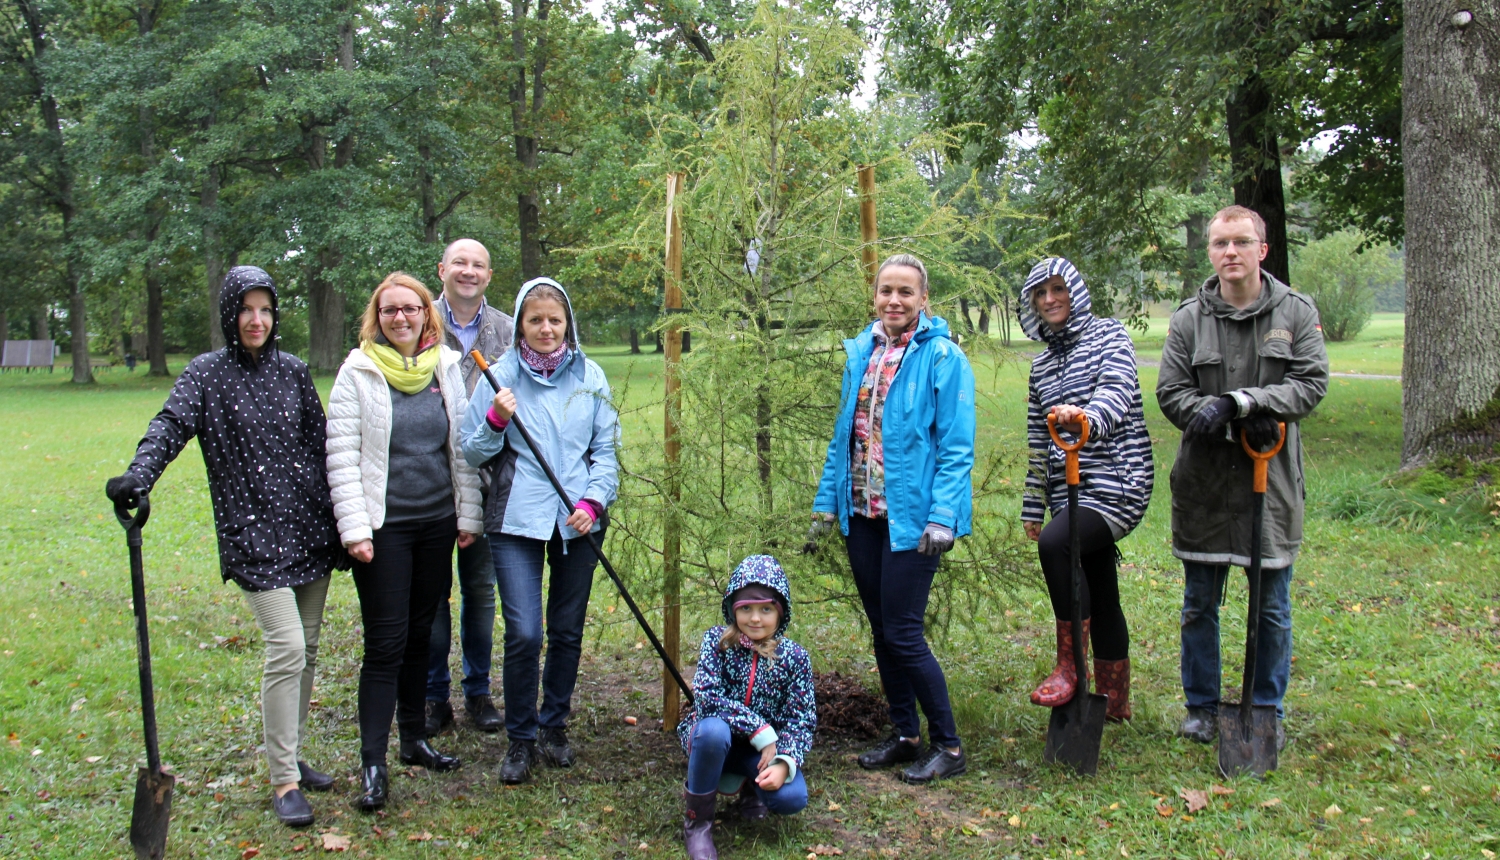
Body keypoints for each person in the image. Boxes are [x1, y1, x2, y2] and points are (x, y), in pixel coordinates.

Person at [104, 266, 343, 828]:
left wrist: (351, 517)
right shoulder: (205, 375)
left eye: (265, 310)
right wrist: (139, 476)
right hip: (252, 531)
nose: (256, 320)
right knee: (284, 645)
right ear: (229, 315)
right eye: (245, 310)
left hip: (309, 526)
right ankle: (283, 780)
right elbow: (169, 425)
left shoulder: (294, 371)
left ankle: (293, 751)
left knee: (305, 647)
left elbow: (324, 442)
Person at [1156, 205, 1329, 746]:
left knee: (1271, 606)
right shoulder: (1189, 319)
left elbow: (1310, 384)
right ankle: (1202, 707)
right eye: (1219, 243)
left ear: (1262, 249)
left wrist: (1242, 403)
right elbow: (1170, 391)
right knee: (1198, 602)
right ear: (1210, 252)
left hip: (1270, 485)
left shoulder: (1295, 313)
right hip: (1205, 483)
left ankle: (1265, 707)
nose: (1229, 252)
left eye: (1240, 241)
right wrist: (1209, 417)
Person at [810, 253, 976, 785]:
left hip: (914, 520)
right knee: (883, 631)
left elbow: (955, 447)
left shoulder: (943, 358)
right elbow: (845, 437)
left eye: (906, 292)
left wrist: (944, 517)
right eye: (886, 291)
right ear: (875, 296)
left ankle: (948, 745)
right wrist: (825, 505)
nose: (895, 301)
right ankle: (905, 735)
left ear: (924, 300)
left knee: (904, 633)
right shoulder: (862, 353)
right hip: (864, 514)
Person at [326, 272, 483, 810]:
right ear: (378, 316)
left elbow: (460, 447)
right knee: (386, 644)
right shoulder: (358, 372)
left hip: (436, 523)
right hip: (383, 529)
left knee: (424, 635)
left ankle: (413, 739)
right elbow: (342, 456)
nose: (401, 318)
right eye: (390, 310)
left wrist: (468, 514)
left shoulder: (443, 366)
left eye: (410, 309)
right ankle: (373, 762)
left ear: (425, 315)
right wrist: (354, 529)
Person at [459, 277, 619, 785]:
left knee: (567, 630)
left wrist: (593, 502)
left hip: (578, 520)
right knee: (526, 632)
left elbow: (606, 453)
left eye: (554, 320)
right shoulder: (498, 375)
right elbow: (472, 450)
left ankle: (554, 726)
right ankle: (521, 738)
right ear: (520, 326)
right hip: (516, 520)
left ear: (567, 322)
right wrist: (496, 419)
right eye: (535, 321)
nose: (546, 329)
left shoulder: (590, 375)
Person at [1018, 258, 1154, 721]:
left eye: (1058, 288)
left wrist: (1087, 419)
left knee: (1060, 545)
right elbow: (1039, 443)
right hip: (1068, 490)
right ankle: (1114, 703)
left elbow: (1117, 391)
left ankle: (1069, 667)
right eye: (1041, 292)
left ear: (1075, 291)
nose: (1050, 299)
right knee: (1099, 582)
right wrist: (1033, 505)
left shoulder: (1109, 336)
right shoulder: (1041, 368)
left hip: (1117, 483)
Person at [424, 238, 515, 737]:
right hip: (431, 486)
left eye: (478, 264)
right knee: (434, 594)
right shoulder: (417, 322)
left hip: (489, 484)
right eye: (459, 262)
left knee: (481, 592)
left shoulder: (506, 329)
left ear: (489, 274)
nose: (468, 271)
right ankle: (434, 696)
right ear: (442, 269)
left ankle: (478, 691)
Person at [676, 555, 815, 860]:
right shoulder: (716, 642)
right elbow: (707, 696)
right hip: (715, 742)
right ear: (732, 609)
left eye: (766, 609)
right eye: (746, 609)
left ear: (781, 612)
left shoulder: (795, 658)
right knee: (712, 731)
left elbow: (801, 720)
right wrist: (758, 727)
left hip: (761, 754)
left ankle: (754, 793)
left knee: (792, 797)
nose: (755, 619)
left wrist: (784, 762)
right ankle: (697, 823)